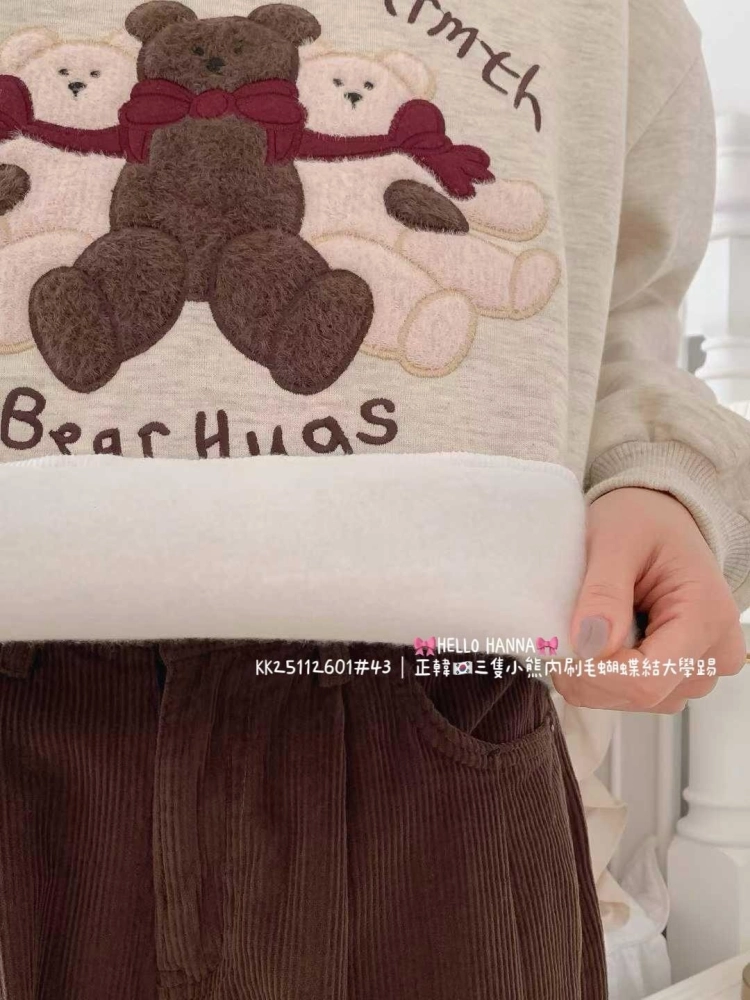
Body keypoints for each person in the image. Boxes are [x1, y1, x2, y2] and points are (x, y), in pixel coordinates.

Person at [0, 0, 747, 997]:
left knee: (270, 271)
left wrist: (657, 481)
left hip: (431, 710)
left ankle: (299, 314)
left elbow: (623, 322)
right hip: (24, 693)